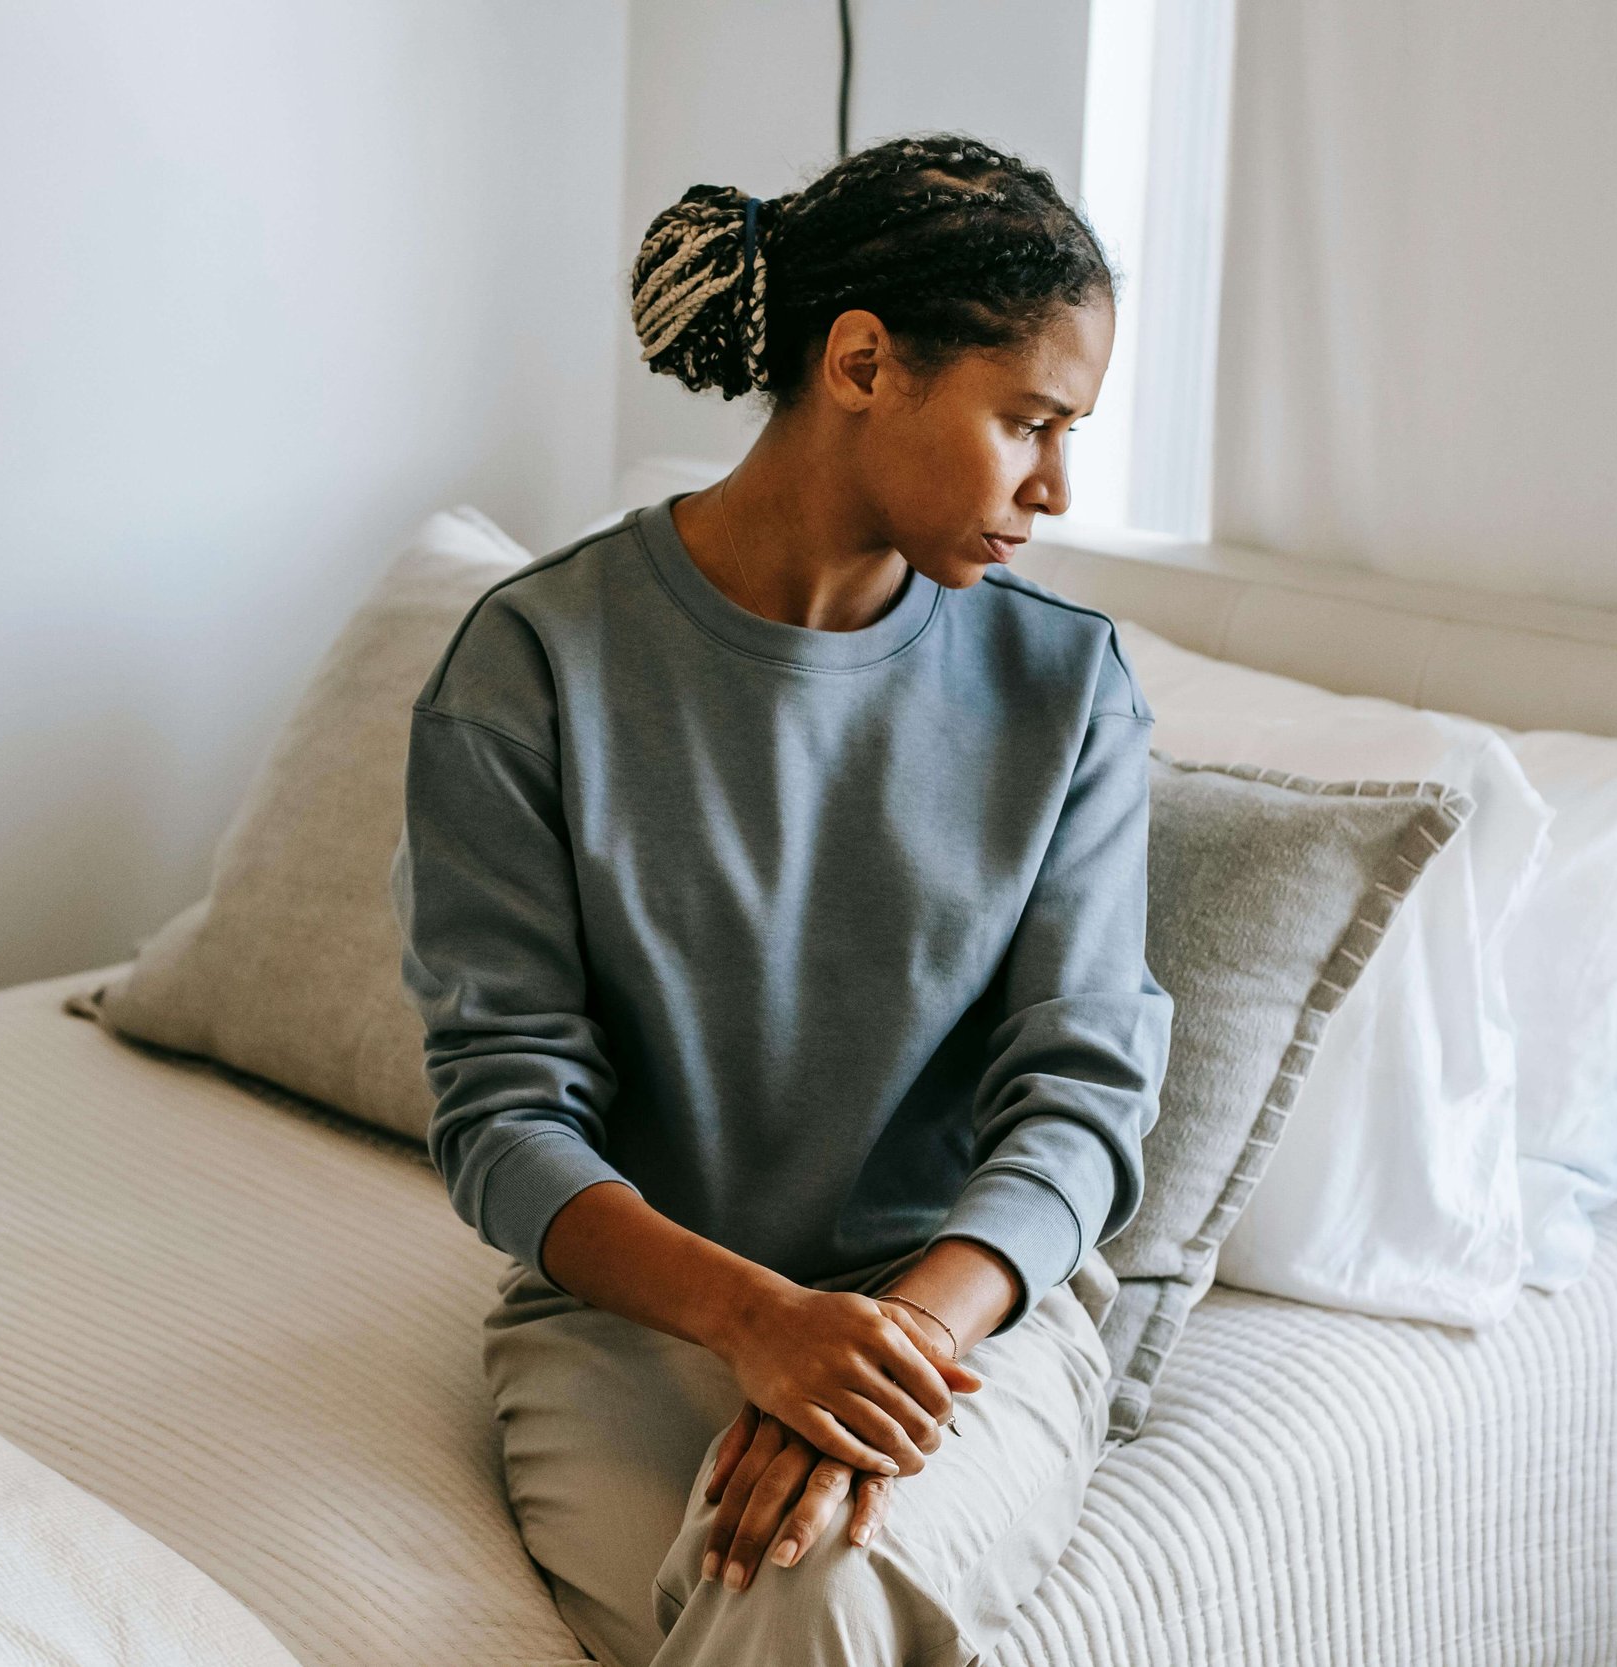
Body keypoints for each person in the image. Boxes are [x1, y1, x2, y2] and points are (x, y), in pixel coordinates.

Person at [390, 132, 1172, 1667]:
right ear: (866, 363)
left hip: (964, 1316)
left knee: (795, 1582)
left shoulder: (1067, 691)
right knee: (773, 1594)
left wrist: (881, 1352)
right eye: (1029, 422)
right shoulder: (534, 666)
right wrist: (759, 1325)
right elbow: (502, 1114)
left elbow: (1082, 1098)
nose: (1059, 488)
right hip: (637, 1318)